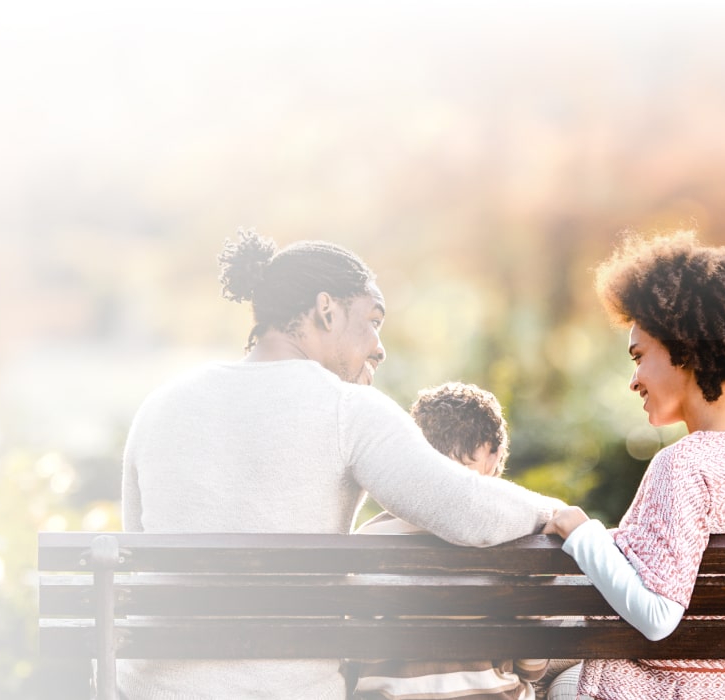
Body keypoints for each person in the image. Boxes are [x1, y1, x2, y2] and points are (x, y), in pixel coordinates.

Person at [119, 230, 565, 700]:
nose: (380, 346)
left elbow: (137, 553)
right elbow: (468, 512)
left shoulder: (162, 404)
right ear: (326, 310)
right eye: (373, 320)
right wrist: (554, 512)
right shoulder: (347, 409)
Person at [545, 232, 725, 700]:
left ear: (684, 349)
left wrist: (582, 534)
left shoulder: (684, 464)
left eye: (639, 356)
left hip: (675, 689)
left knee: (550, 680)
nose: (634, 380)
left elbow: (657, 615)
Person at [348, 381, 550, 698]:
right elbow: (532, 665)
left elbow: (359, 652)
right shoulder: (517, 537)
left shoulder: (372, 536)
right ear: (493, 455)